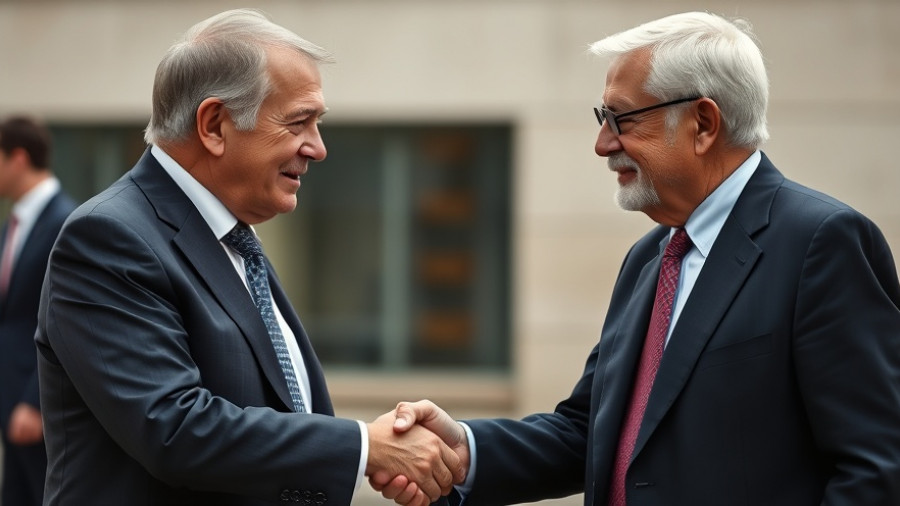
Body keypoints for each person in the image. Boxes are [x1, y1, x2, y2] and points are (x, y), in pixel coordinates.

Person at [375, 11, 900, 506]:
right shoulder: (652, 257)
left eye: (622, 119)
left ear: (703, 124)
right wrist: (463, 451)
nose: (603, 144)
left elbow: (876, 467)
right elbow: (591, 431)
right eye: (604, 118)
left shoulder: (821, 243)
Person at [34, 9, 461, 506]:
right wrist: (366, 448)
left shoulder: (233, 239)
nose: (318, 149)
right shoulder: (108, 238)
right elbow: (173, 427)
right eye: (299, 122)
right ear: (215, 124)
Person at [0, 116, 76, 506]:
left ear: (17, 158)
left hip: (38, 408)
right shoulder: (12, 225)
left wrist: (35, 403)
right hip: (9, 403)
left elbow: (65, 320)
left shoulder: (67, 223)